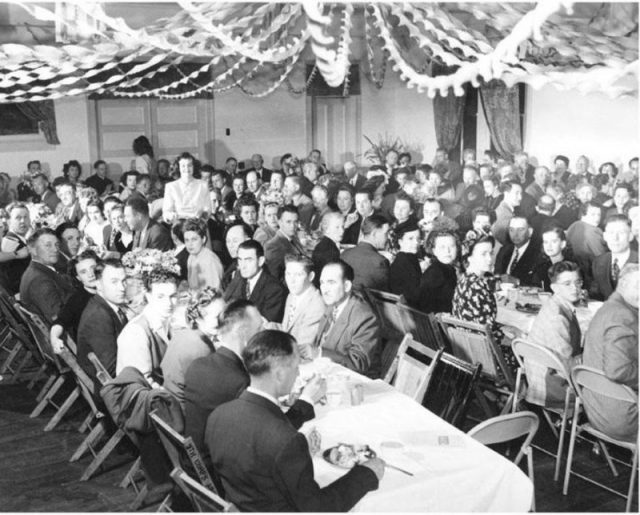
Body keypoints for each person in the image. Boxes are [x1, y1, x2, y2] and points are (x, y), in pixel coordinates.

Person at [206, 329, 381, 512]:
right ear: (280, 374)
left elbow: (257, 451)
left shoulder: (217, 416)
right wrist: (367, 474)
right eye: (296, 367)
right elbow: (318, 509)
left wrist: (294, 459)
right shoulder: (286, 442)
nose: (298, 374)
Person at [183, 300, 265, 458]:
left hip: (194, 459)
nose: (264, 332)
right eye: (259, 328)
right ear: (242, 332)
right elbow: (264, 436)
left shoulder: (198, 365)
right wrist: (305, 402)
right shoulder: (239, 381)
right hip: (215, 471)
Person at [582, 264, 638, 442]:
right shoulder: (623, 315)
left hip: (597, 410)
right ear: (622, 284)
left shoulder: (609, 308)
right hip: (621, 419)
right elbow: (618, 370)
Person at [527, 262, 583, 409]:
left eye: (578, 282)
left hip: (542, 377)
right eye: (567, 284)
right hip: (552, 387)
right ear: (554, 288)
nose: (575, 288)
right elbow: (566, 368)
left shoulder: (556, 304)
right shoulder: (557, 317)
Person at [313, 260, 381, 378]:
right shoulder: (332, 305)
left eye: (331, 282)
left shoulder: (365, 316)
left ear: (347, 286)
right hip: (329, 375)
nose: (324, 289)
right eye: (322, 283)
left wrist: (319, 353)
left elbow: (358, 364)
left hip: (356, 385)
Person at [161, 288, 226, 406]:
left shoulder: (183, 334)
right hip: (185, 412)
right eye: (217, 317)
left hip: (171, 404)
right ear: (198, 319)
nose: (223, 321)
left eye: (224, 314)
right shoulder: (200, 349)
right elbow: (210, 394)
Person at [116, 269, 179, 388]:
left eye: (173, 296)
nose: (169, 303)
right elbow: (142, 384)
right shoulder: (136, 332)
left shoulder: (169, 320)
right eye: (160, 296)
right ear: (148, 296)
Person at [77, 258, 128, 384]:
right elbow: (111, 370)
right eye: (114, 282)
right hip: (112, 390)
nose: (122, 288)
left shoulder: (105, 305)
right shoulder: (98, 317)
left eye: (124, 281)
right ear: (98, 284)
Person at [19, 228, 74, 325]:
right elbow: (59, 318)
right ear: (33, 250)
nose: (55, 249)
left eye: (57, 244)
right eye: (48, 245)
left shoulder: (39, 269)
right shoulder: (38, 280)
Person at [223, 240, 287, 322]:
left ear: (260, 261)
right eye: (240, 260)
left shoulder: (275, 290)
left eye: (248, 260)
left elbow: (266, 326)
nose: (242, 266)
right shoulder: (241, 281)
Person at [452, 236, 502, 340]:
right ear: (469, 258)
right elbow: (489, 332)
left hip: (469, 345)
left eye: (491, 253)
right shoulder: (477, 287)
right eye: (483, 254)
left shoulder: (464, 280)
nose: (489, 258)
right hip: (487, 351)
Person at [50, 250, 99, 351]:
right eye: (83, 272)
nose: (91, 275)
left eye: (93, 268)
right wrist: (54, 338)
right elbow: (60, 321)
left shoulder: (111, 289)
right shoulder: (77, 300)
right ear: (78, 278)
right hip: (96, 350)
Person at [280, 255, 325, 361]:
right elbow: (286, 329)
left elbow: (301, 348)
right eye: (288, 274)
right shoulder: (293, 295)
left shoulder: (316, 304)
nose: (291, 280)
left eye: (298, 275)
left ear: (311, 276)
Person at [590, 214, 638, 301]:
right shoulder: (599, 262)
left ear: (630, 236)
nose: (615, 238)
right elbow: (596, 295)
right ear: (605, 236)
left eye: (621, 233)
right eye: (611, 232)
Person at [341, 214, 390, 292]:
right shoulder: (380, 261)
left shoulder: (345, 254)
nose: (388, 237)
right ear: (374, 234)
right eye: (386, 233)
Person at [418, 229, 458, 314]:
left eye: (452, 246)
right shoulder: (435, 274)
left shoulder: (448, 269)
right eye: (442, 247)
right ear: (434, 251)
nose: (448, 251)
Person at [163, 152, 211, 223]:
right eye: (183, 166)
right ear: (178, 168)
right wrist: (171, 216)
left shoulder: (203, 185)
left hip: (198, 224)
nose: (186, 168)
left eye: (189, 165)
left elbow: (207, 209)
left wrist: (202, 217)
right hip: (179, 224)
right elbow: (166, 211)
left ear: (193, 167)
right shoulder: (171, 186)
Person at [494, 217, 541, 286]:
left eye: (520, 230)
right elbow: (496, 275)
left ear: (530, 232)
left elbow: (540, 286)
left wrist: (517, 281)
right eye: (511, 230)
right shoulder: (504, 250)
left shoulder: (538, 254)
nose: (515, 234)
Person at [264, 205, 307, 282]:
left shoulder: (293, 238)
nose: (293, 226)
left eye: (295, 221)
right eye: (288, 222)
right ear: (280, 222)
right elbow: (274, 279)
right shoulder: (273, 246)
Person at [566, 202, 606, 281]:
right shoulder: (593, 231)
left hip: (575, 272)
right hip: (592, 275)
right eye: (593, 214)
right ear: (583, 214)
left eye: (599, 215)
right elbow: (602, 257)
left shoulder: (573, 225)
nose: (597, 218)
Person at [183, 218, 224, 291]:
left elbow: (214, 291)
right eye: (187, 240)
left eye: (194, 239)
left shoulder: (209, 260)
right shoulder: (191, 257)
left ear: (203, 239)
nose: (190, 244)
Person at [0, 202, 31, 294]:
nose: (23, 221)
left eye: (26, 217)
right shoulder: (9, 243)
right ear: (9, 221)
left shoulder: (21, 240)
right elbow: (8, 279)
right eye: (18, 218)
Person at [388, 221, 423, 303]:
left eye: (418, 238)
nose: (416, 242)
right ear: (400, 241)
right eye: (410, 239)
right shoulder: (404, 263)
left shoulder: (408, 258)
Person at [532, 225, 573, 291]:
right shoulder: (542, 267)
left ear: (563, 244)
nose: (549, 246)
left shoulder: (571, 267)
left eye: (554, 241)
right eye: (546, 242)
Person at [311, 211, 343, 287]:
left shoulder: (325, 244)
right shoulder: (330, 251)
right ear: (327, 229)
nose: (342, 231)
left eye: (342, 227)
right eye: (337, 227)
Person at [491, 181, 522, 246]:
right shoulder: (505, 216)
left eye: (521, 194)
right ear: (506, 194)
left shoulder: (505, 209)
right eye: (516, 193)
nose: (520, 197)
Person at [221, 222, 251, 289]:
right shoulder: (233, 266)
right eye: (228, 241)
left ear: (248, 241)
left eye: (235, 241)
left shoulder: (253, 269)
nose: (230, 245)